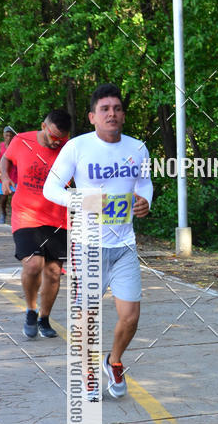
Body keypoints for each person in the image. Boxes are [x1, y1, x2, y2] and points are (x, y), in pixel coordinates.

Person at [44, 83, 152, 399]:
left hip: (124, 246)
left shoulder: (138, 148)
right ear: (92, 117)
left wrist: (145, 202)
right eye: (104, 109)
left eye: (117, 108)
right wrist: (85, 200)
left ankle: (113, 361)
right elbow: (51, 189)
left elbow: (144, 184)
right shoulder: (77, 148)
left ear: (123, 115)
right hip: (87, 245)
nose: (112, 114)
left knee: (130, 317)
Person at [0, 111, 71, 337]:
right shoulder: (22, 140)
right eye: (53, 137)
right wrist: (5, 176)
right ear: (43, 126)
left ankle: (44, 318)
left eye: (61, 138)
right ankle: (31, 310)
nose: (56, 142)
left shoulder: (69, 148)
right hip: (26, 214)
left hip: (58, 217)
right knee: (33, 265)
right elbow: (6, 158)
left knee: (52, 273)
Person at [0, 126, 16, 223]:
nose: (8, 137)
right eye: (6, 135)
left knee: (15, 198)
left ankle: (15, 216)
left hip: (15, 177)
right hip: (2, 176)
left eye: (10, 135)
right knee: (4, 197)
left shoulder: (16, 146)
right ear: (3, 135)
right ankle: (3, 213)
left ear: (13, 136)